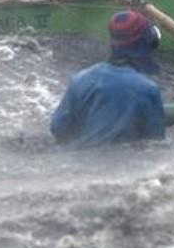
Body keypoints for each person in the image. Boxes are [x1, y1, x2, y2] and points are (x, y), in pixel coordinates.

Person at [50, 10, 166, 147]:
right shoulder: (148, 89)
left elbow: (58, 128)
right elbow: (155, 141)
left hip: (72, 158)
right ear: (148, 41)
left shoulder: (79, 79)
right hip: (120, 163)